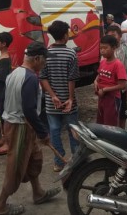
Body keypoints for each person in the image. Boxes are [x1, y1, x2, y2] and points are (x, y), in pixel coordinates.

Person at [0, 42, 60, 215]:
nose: (45, 64)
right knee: (16, 166)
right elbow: (29, 109)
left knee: (34, 158)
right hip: (20, 126)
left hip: (20, 124)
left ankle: (38, 193)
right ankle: (0, 206)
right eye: (44, 60)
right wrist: (43, 132)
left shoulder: (15, 73)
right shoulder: (30, 78)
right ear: (36, 58)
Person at [39, 20, 79, 172]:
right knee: (73, 130)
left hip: (52, 103)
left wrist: (53, 96)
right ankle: (76, 160)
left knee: (54, 130)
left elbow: (43, 78)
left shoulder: (46, 54)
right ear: (64, 35)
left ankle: (59, 162)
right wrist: (69, 98)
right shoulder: (71, 53)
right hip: (69, 102)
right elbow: (72, 78)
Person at [94, 35, 127, 127]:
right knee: (101, 122)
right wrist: (95, 81)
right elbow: (99, 74)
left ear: (113, 48)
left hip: (112, 99)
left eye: (105, 48)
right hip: (102, 97)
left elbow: (122, 85)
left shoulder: (118, 65)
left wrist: (105, 90)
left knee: (110, 125)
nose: (102, 50)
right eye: (101, 48)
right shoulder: (103, 62)